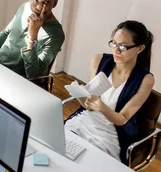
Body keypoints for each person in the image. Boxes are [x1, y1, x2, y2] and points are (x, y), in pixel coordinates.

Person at [64, 20, 154, 162]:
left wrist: (102, 108)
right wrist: (79, 94)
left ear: (140, 48)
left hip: (111, 133)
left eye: (123, 47)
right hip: (85, 119)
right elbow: (88, 105)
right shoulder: (99, 60)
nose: (116, 50)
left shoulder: (145, 80)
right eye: (114, 43)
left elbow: (122, 120)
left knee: (87, 162)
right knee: (59, 146)